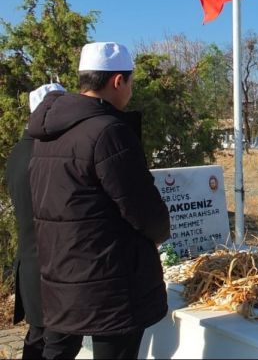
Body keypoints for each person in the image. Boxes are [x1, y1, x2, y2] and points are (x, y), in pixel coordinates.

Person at [27, 42, 171, 359]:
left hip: (61, 272)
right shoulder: (107, 131)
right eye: (130, 83)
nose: (130, 91)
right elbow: (143, 208)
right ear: (117, 81)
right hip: (109, 280)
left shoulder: (47, 133)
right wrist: (161, 233)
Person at [6, 83, 80, 359]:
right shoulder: (47, 154)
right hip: (53, 272)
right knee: (58, 346)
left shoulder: (18, 153)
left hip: (30, 266)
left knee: (37, 340)